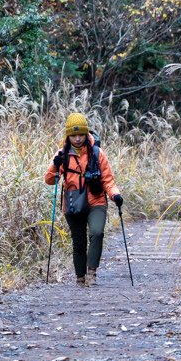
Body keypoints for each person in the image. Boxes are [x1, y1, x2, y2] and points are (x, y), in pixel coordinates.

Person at [45, 113, 123, 287]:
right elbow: (50, 180)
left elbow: (107, 180)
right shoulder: (62, 155)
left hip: (96, 200)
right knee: (79, 243)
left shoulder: (97, 152)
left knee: (97, 233)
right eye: (73, 135)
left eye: (81, 134)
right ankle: (80, 277)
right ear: (68, 136)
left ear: (86, 133)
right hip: (73, 202)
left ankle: (92, 273)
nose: (78, 139)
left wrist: (115, 195)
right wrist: (55, 165)